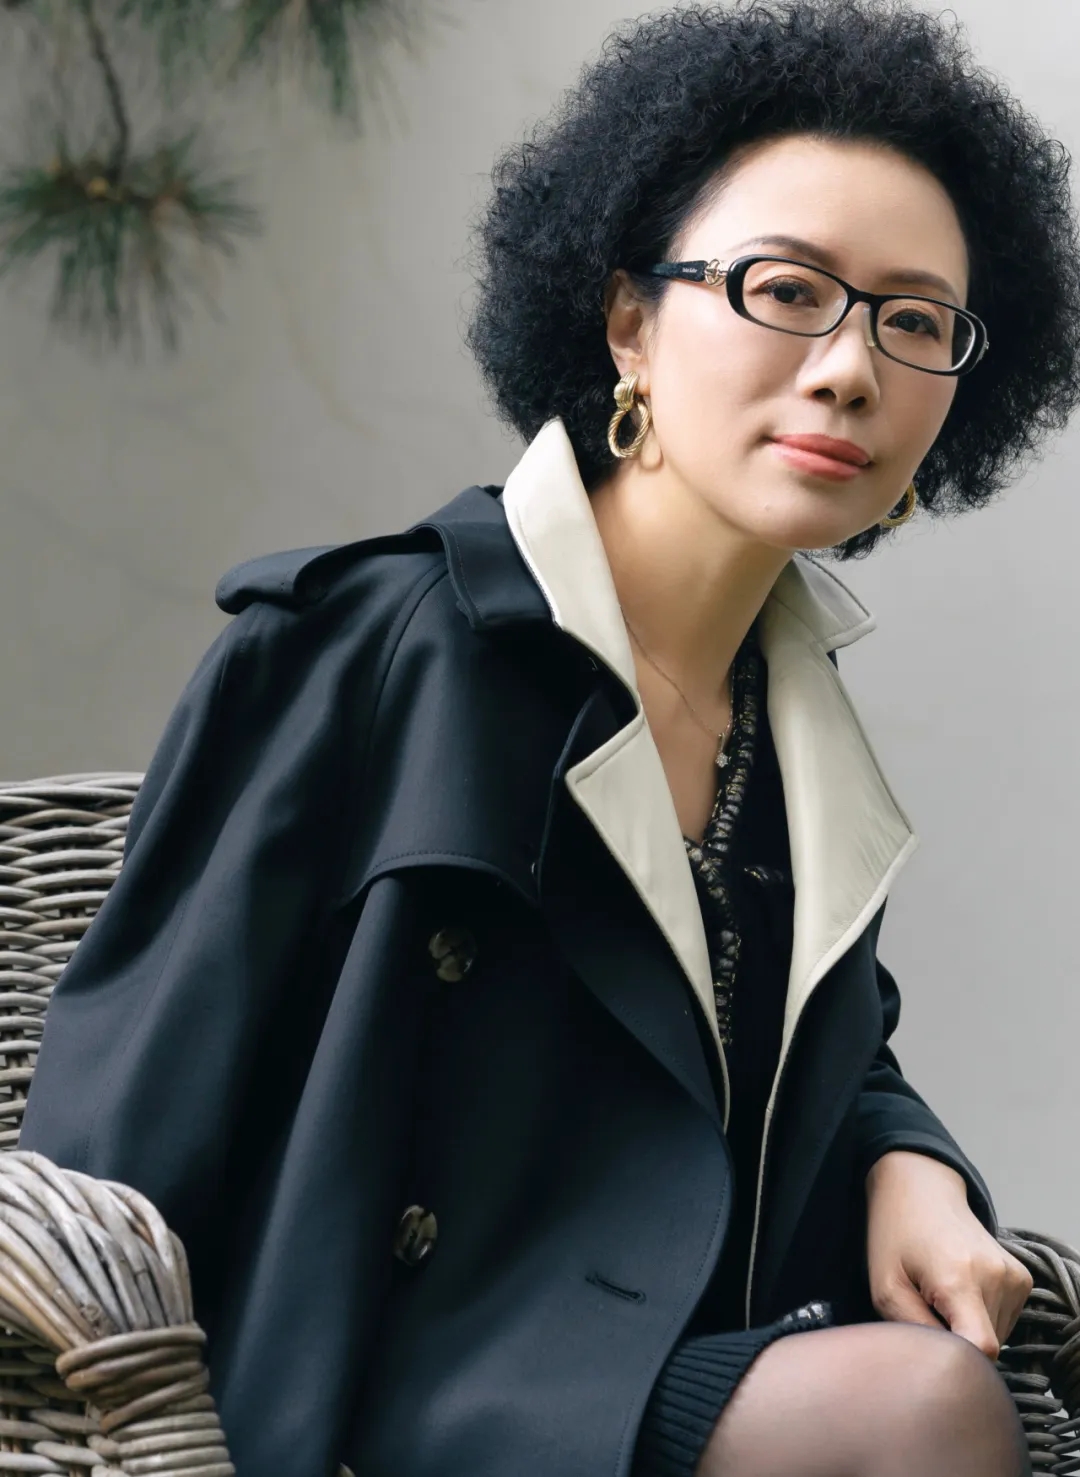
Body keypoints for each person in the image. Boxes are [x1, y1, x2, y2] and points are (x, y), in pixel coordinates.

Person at [19, 2, 1080, 1474]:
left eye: (914, 321)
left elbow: (822, 1044)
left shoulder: (792, 721)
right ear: (629, 320)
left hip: (682, 1364)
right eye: (786, 289)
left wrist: (914, 1161)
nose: (851, 368)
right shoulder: (365, 648)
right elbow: (111, 1141)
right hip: (373, 1406)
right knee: (925, 1408)